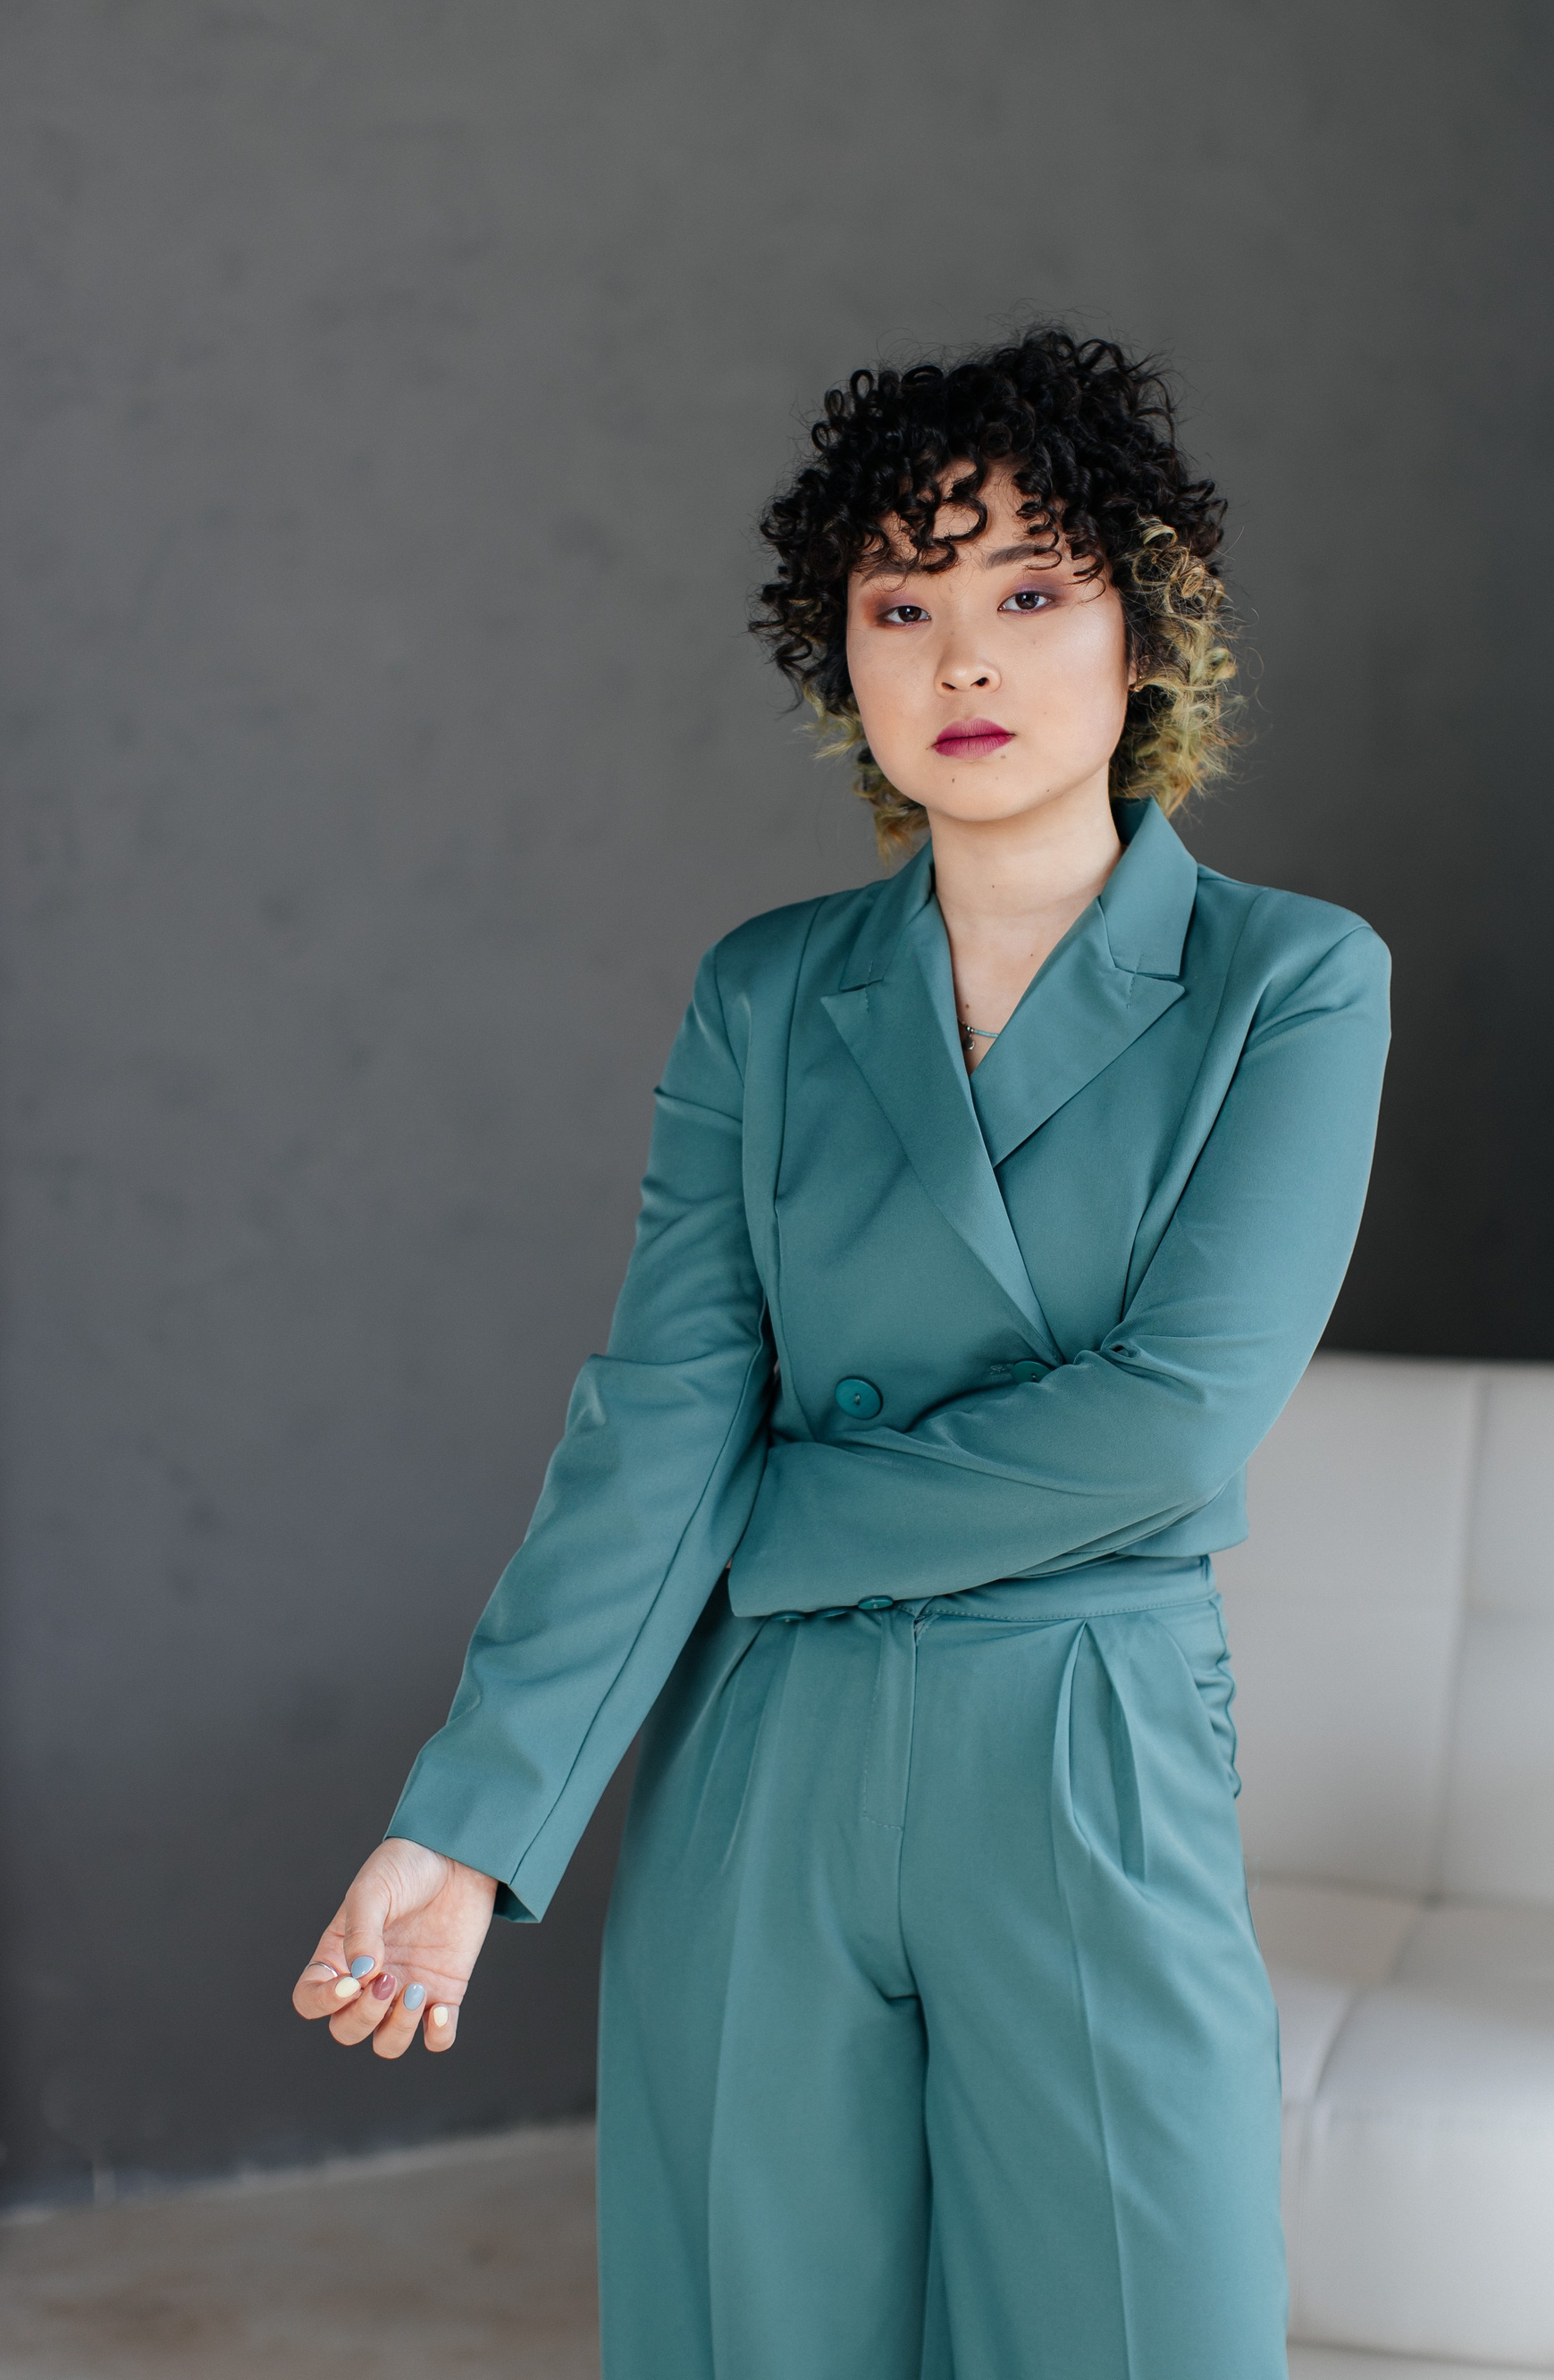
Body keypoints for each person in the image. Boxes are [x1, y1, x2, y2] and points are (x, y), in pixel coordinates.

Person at [292, 328, 1390, 2379]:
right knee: (754, 2325)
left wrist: (766, 1524)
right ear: (844, 663)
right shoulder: (766, 996)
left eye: (1031, 595)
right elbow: (660, 1418)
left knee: (1142, 2328)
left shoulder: (1291, 982)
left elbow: (1169, 1430)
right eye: (901, 607)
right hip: (764, 1762)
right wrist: (464, 1828)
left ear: (1148, 635)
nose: (962, 658)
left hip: (1080, 1734)